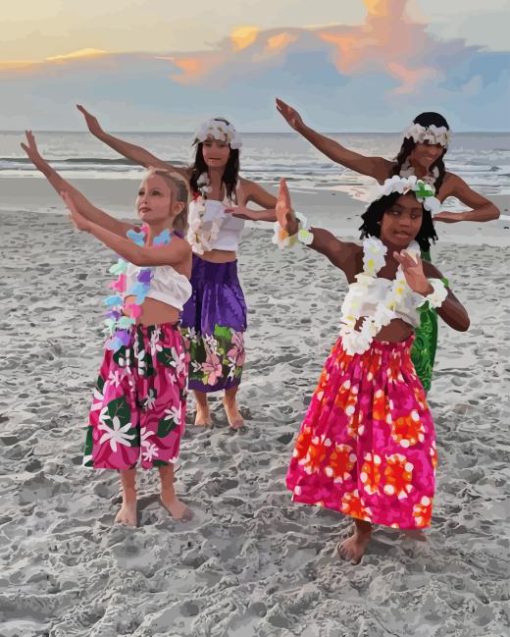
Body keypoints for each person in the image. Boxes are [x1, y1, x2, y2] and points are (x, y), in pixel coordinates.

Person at [274, 176, 469, 563]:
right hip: (351, 371)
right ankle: (361, 530)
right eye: (395, 212)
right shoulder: (359, 258)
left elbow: (461, 321)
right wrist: (293, 225)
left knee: (411, 448)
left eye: (414, 214)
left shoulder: (424, 268)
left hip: (396, 373)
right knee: (355, 452)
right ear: (378, 217)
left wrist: (426, 289)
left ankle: (404, 510)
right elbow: (325, 241)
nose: (404, 221)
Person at [21, 131, 193, 526]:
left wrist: (89, 228)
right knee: (121, 417)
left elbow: (141, 256)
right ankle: (128, 497)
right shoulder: (132, 233)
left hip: (163, 346)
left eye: (155, 193)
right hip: (124, 342)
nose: (144, 200)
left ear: (177, 205)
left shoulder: (179, 247)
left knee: (163, 419)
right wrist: (45, 167)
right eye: (141, 192)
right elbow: (84, 205)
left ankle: (168, 492)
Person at [77, 106, 277, 428]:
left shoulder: (244, 188)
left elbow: (284, 210)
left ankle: (230, 401)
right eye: (207, 144)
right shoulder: (187, 180)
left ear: (231, 149)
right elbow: (145, 158)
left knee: (229, 341)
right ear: (201, 147)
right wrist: (101, 134)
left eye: (221, 144)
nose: (213, 151)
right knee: (193, 341)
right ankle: (202, 407)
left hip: (225, 277)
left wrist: (254, 214)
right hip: (192, 272)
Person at [275, 99, 498, 390]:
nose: (432, 151)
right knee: (375, 325)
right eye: (426, 142)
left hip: (417, 261)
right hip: (379, 258)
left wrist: (458, 216)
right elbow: (343, 155)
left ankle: (414, 399)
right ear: (412, 140)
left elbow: (490, 209)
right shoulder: (387, 170)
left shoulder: (448, 182)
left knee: (422, 335)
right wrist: (302, 127)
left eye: (439, 145)